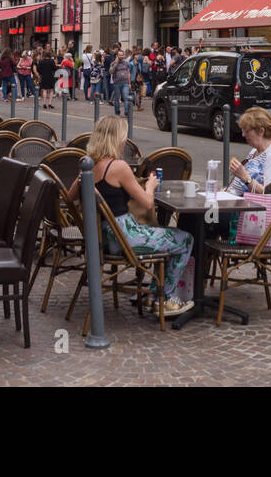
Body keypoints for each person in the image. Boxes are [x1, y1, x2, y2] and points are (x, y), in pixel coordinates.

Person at [66, 116, 194, 315]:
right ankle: (164, 299)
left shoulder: (91, 166)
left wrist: (79, 178)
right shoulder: (118, 167)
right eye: (124, 136)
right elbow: (147, 202)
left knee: (169, 235)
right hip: (125, 237)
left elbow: (69, 197)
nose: (125, 141)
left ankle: (154, 295)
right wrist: (151, 186)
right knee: (184, 239)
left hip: (104, 238)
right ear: (117, 139)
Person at [229, 107, 271, 195]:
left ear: (261, 131)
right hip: (236, 201)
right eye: (242, 130)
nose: (243, 135)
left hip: (250, 207)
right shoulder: (254, 151)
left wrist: (244, 176)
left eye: (246, 131)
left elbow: (269, 194)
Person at [110, 48, 132, 116]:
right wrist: (115, 64)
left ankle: (126, 111)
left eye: (122, 55)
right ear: (117, 56)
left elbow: (128, 73)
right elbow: (110, 71)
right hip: (116, 83)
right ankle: (117, 111)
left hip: (125, 82)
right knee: (117, 98)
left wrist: (129, 83)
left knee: (126, 97)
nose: (121, 56)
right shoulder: (113, 63)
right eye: (119, 55)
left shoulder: (126, 63)